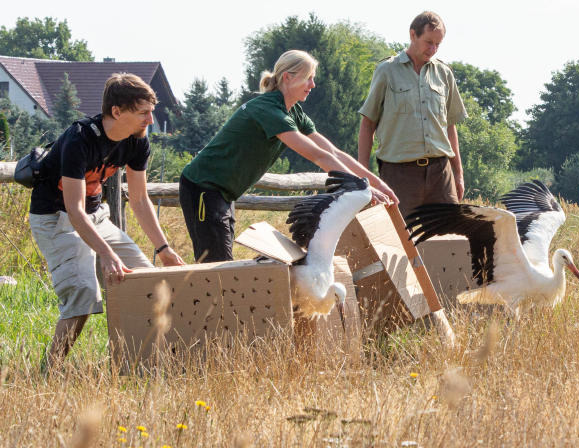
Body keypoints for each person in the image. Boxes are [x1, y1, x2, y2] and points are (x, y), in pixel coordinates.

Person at [179, 49, 399, 263]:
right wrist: (363, 189)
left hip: (223, 192)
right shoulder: (270, 110)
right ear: (287, 77)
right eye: (308, 78)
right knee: (217, 268)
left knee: (221, 266)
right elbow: (317, 155)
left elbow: (333, 152)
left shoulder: (293, 112)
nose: (313, 85)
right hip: (203, 188)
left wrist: (378, 184)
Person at [29, 73, 185, 370]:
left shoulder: (138, 142)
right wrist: (106, 253)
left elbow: (139, 199)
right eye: (143, 112)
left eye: (151, 111)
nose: (150, 120)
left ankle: (143, 365)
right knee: (85, 294)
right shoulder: (80, 139)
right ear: (117, 111)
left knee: (146, 281)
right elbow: (74, 210)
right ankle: (49, 372)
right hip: (55, 219)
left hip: (95, 217)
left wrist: (163, 248)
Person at [358, 11, 467, 218]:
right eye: (428, 42)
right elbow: (367, 123)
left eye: (438, 44)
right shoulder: (386, 71)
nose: (433, 49)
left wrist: (458, 175)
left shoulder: (444, 73)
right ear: (412, 35)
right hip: (398, 174)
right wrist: (364, 175)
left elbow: (450, 126)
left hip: (440, 174)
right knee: (400, 242)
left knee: (450, 241)